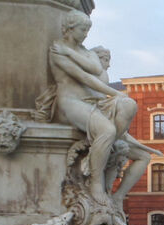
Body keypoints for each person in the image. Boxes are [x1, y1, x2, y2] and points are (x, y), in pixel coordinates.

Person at [49, 10, 136, 202]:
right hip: (70, 102)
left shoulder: (80, 52)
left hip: (91, 103)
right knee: (106, 130)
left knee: (129, 105)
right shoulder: (57, 49)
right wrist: (115, 93)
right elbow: (86, 78)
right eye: (83, 30)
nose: (86, 34)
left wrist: (70, 51)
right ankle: (96, 183)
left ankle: (102, 153)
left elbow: (96, 69)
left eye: (88, 30)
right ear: (70, 28)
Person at [90, 46, 161, 211]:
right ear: (95, 58)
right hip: (96, 123)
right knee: (114, 147)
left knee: (144, 156)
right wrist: (119, 96)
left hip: (109, 130)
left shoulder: (101, 76)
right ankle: (100, 188)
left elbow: (122, 134)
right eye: (105, 60)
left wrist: (149, 148)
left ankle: (118, 196)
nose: (108, 65)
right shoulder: (93, 75)